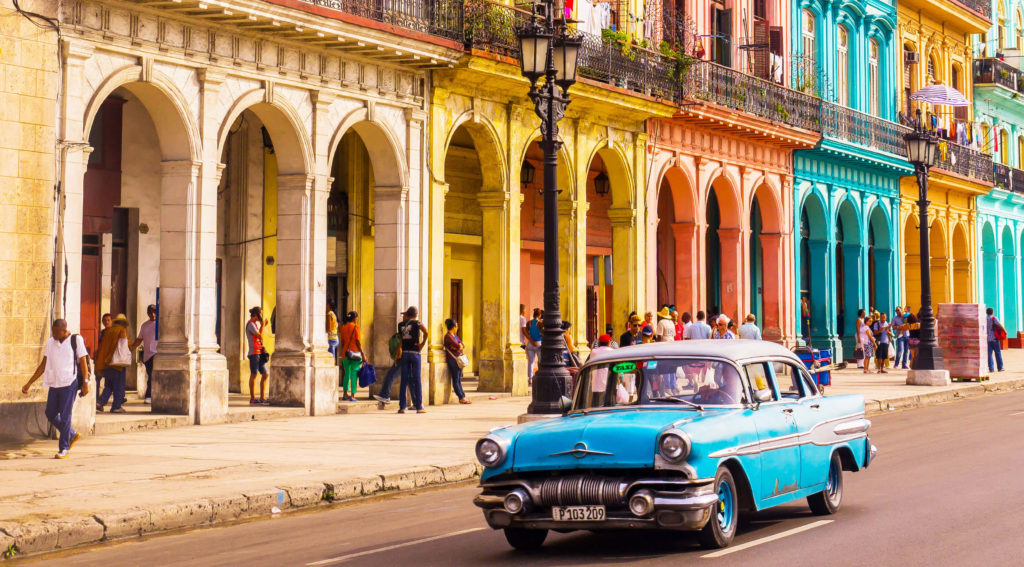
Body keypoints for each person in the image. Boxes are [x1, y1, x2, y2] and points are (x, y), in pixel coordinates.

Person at [21, 320, 88, 459]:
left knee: (65, 416)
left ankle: (64, 448)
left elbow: (83, 362)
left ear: (65, 330)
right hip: (54, 383)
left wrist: (85, 382)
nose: (54, 334)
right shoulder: (51, 342)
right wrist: (29, 383)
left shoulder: (76, 339)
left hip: (69, 383)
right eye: (53, 331)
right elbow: (44, 364)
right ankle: (71, 434)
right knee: (50, 413)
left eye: (57, 332)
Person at [95, 313, 130, 413]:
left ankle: (101, 402)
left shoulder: (107, 332)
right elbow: (128, 346)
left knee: (109, 385)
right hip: (118, 363)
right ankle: (116, 406)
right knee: (119, 385)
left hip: (107, 363)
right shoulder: (122, 331)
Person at [397, 306, 428, 414]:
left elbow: (400, 340)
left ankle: (402, 407)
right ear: (415, 314)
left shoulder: (400, 325)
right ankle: (419, 407)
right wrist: (422, 344)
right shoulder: (418, 323)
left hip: (405, 353)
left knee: (404, 380)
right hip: (415, 353)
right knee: (417, 379)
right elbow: (426, 332)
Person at [374, 314, 407, 406]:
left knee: (391, 375)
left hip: (403, 357)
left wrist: (398, 353)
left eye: (405, 315)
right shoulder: (409, 326)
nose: (404, 317)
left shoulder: (405, 327)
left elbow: (401, 343)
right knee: (410, 380)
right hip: (407, 357)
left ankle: (385, 395)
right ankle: (417, 403)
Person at [132, 305, 158, 404]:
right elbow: (139, 339)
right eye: (150, 312)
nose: (153, 314)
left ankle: (149, 395)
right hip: (148, 355)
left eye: (154, 312)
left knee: (152, 376)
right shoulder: (144, 325)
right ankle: (149, 396)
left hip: (157, 353)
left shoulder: (160, 324)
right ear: (148, 313)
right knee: (151, 375)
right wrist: (131, 348)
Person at [443, 318, 471, 404]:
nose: (457, 327)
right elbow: (458, 345)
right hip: (453, 360)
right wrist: (458, 346)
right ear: (454, 327)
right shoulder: (448, 336)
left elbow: (462, 345)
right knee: (455, 379)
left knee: (458, 379)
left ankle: (462, 396)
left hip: (458, 359)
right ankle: (461, 397)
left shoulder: (454, 336)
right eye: (457, 326)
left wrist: (458, 346)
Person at [246, 307, 270, 405]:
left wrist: (262, 325)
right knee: (254, 374)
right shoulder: (250, 325)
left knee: (265, 374)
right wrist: (263, 325)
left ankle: (262, 397)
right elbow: (260, 336)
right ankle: (252, 398)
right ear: (256, 315)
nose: (261, 316)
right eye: (260, 314)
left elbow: (260, 335)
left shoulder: (255, 325)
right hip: (254, 353)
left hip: (259, 353)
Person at [339, 311, 363, 402]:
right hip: (355, 353)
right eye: (357, 317)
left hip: (346, 353)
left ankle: (345, 394)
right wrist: (363, 353)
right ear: (354, 318)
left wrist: (344, 351)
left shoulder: (343, 328)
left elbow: (342, 342)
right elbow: (358, 342)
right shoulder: (356, 327)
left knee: (346, 374)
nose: (357, 319)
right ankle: (352, 395)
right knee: (354, 374)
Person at [525, 308, 542, 386]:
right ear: (539, 315)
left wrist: (531, 338)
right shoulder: (540, 323)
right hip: (538, 343)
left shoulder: (529, 323)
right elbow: (542, 332)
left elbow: (527, 332)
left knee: (531, 362)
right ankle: (540, 376)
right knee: (540, 361)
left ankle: (530, 378)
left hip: (530, 343)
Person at [987, 307, 1005, 373]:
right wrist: (1005, 331)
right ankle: (1000, 367)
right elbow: (1000, 325)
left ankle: (991, 368)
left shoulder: (984, 319)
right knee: (998, 353)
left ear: (986, 312)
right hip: (995, 339)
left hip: (988, 339)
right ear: (992, 312)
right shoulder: (994, 318)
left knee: (989, 354)